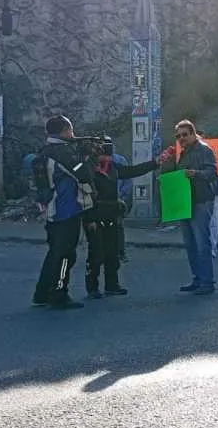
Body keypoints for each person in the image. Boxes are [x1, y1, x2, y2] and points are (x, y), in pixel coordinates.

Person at [81, 137, 158, 299]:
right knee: (96, 253)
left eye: (108, 155)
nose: (106, 159)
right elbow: (85, 195)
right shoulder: (87, 169)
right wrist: (89, 219)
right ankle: (92, 286)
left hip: (111, 212)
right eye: (103, 154)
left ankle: (112, 284)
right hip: (95, 212)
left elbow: (132, 171)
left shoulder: (113, 168)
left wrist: (155, 163)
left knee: (112, 251)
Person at [31, 115, 94, 310]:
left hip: (51, 210)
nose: (73, 134)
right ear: (64, 131)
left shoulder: (45, 152)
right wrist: (85, 158)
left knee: (54, 253)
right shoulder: (62, 153)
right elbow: (83, 174)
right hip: (66, 210)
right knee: (67, 255)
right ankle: (59, 292)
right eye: (71, 129)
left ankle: (42, 293)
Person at [159, 120, 218, 295]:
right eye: (178, 136)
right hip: (185, 202)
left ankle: (207, 282)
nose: (181, 138)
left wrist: (196, 174)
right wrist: (167, 162)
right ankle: (197, 278)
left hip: (201, 200)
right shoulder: (183, 152)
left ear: (193, 134)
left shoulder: (204, 149)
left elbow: (213, 172)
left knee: (202, 242)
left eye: (185, 134)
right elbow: (176, 175)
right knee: (190, 243)